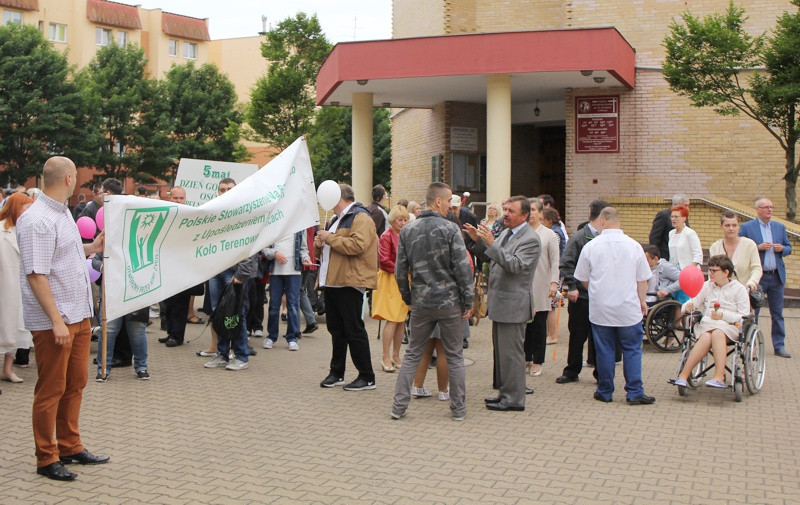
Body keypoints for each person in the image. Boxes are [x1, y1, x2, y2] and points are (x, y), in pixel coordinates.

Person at [17, 156, 108, 481]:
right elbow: (36, 274)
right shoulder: (37, 218)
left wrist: (91, 246)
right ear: (70, 178)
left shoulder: (61, 214)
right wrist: (56, 321)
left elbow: (62, 256)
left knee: (75, 383)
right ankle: (46, 456)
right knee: (51, 388)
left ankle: (70, 445)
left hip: (78, 314)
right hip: (56, 319)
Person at [391, 182, 473, 421]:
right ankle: (458, 409)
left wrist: (409, 298)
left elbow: (400, 271)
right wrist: (468, 301)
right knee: (455, 355)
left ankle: (398, 407)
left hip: (421, 303)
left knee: (412, 353)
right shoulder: (450, 230)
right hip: (449, 303)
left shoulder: (408, 230)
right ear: (438, 201)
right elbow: (462, 269)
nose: (450, 206)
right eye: (448, 201)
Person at [465, 196, 540, 412]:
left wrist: (491, 243)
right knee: (502, 354)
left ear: (525, 215)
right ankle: (505, 393)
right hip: (501, 303)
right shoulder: (508, 232)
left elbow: (515, 265)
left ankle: (514, 399)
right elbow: (491, 259)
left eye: (511, 211)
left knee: (513, 354)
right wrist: (477, 241)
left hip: (513, 305)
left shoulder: (530, 239)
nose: (505, 214)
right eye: (505, 209)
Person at [574, 207, 654, 404]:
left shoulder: (591, 246)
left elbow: (582, 277)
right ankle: (635, 391)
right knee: (632, 349)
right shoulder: (634, 246)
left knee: (604, 349)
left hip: (601, 308)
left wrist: (595, 288)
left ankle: (605, 390)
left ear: (601, 221)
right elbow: (642, 278)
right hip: (628, 308)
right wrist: (642, 300)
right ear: (619, 221)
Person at [315, 184, 379, 391]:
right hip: (333, 281)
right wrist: (319, 244)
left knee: (353, 330)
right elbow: (328, 252)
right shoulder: (337, 220)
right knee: (337, 330)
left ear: (338, 197)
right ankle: (337, 372)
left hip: (350, 281)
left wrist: (329, 238)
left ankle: (367, 376)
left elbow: (358, 245)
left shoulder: (360, 217)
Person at [672, 255, 750, 388]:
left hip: (729, 327)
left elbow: (743, 316)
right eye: (709, 270)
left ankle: (719, 376)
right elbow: (692, 302)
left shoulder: (739, 289)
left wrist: (723, 315)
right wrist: (687, 306)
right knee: (708, 335)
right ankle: (683, 376)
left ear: (726, 272)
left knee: (717, 333)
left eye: (714, 271)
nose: (710, 273)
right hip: (707, 325)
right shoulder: (706, 286)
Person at [555, 200, 610, 385]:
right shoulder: (579, 238)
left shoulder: (607, 238)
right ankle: (572, 371)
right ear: (601, 218)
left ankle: (600, 373)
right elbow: (566, 263)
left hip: (601, 297)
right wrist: (571, 286)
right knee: (578, 335)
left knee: (599, 336)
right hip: (581, 296)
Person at [739, 198, 792, 358]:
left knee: (777, 313)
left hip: (776, 277)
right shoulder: (747, 227)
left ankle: (779, 346)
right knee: (754, 312)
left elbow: (789, 247)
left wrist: (782, 248)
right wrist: (757, 247)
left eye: (771, 207)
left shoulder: (779, 227)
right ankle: (750, 344)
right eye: (766, 207)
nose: (770, 210)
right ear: (757, 210)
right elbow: (740, 246)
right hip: (758, 278)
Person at [372, 205, 411, 372]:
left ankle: (396, 354)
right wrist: (402, 269)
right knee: (392, 318)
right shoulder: (386, 236)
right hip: (390, 280)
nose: (403, 223)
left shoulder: (407, 235)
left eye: (405, 220)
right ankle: (385, 356)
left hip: (405, 279)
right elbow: (384, 260)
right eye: (400, 220)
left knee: (401, 318)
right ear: (393, 221)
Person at [0, 193, 34, 385]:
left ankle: (7, 369)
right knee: (3, 326)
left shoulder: (27, 231)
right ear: (15, 207)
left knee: (16, 328)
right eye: (25, 207)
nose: (28, 211)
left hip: (21, 287)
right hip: (4, 284)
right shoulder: (1, 230)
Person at [524, 198, 559, 377]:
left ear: (540, 213)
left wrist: (554, 282)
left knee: (538, 325)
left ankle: (538, 361)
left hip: (541, 284)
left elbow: (554, 260)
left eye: (533, 210)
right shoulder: (520, 233)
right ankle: (526, 358)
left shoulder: (549, 235)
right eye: (527, 210)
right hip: (523, 285)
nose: (530, 214)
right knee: (524, 325)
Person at [261, 229, 312, 351]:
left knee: (293, 305)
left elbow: (303, 249)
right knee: (274, 305)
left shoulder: (300, 227)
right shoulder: (275, 224)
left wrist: (306, 258)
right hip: (275, 272)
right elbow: (264, 248)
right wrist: (275, 253)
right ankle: (272, 336)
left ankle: (292, 338)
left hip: (294, 271)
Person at [159, 187, 193, 348]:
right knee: (169, 303)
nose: (179, 201)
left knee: (180, 304)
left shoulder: (191, 217)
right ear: (170, 199)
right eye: (176, 198)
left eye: (181, 198)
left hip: (183, 267)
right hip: (167, 266)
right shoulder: (165, 215)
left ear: (185, 199)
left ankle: (177, 336)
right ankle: (171, 332)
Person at [709, 211, 762, 292]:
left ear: (738, 227)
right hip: (721, 293)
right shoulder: (715, 247)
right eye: (727, 225)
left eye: (734, 225)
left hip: (744, 292)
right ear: (721, 226)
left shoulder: (749, 245)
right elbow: (712, 271)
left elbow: (757, 268)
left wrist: (752, 283)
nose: (731, 228)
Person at [667, 204, 702, 304]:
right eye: (672, 217)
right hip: (674, 272)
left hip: (687, 272)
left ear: (684, 218)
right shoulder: (671, 233)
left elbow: (697, 253)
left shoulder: (689, 233)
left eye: (676, 217)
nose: (673, 219)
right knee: (675, 301)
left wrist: (691, 269)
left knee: (684, 302)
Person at [649, 193, 690, 261]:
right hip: (666, 257)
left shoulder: (684, 217)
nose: (688, 208)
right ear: (677, 205)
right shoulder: (663, 215)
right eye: (686, 205)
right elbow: (654, 238)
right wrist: (658, 257)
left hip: (682, 258)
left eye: (688, 206)